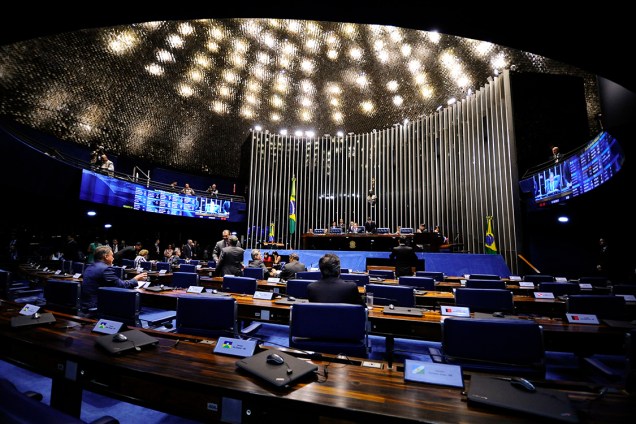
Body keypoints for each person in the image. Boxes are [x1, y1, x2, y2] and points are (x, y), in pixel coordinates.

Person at [81, 245, 147, 311]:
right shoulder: (105, 269)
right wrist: (136, 279)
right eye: (112, 256)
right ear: (106, 257)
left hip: (86, 304)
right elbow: (121, 286)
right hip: (96, 306)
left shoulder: (89, 267)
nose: (113, 258)